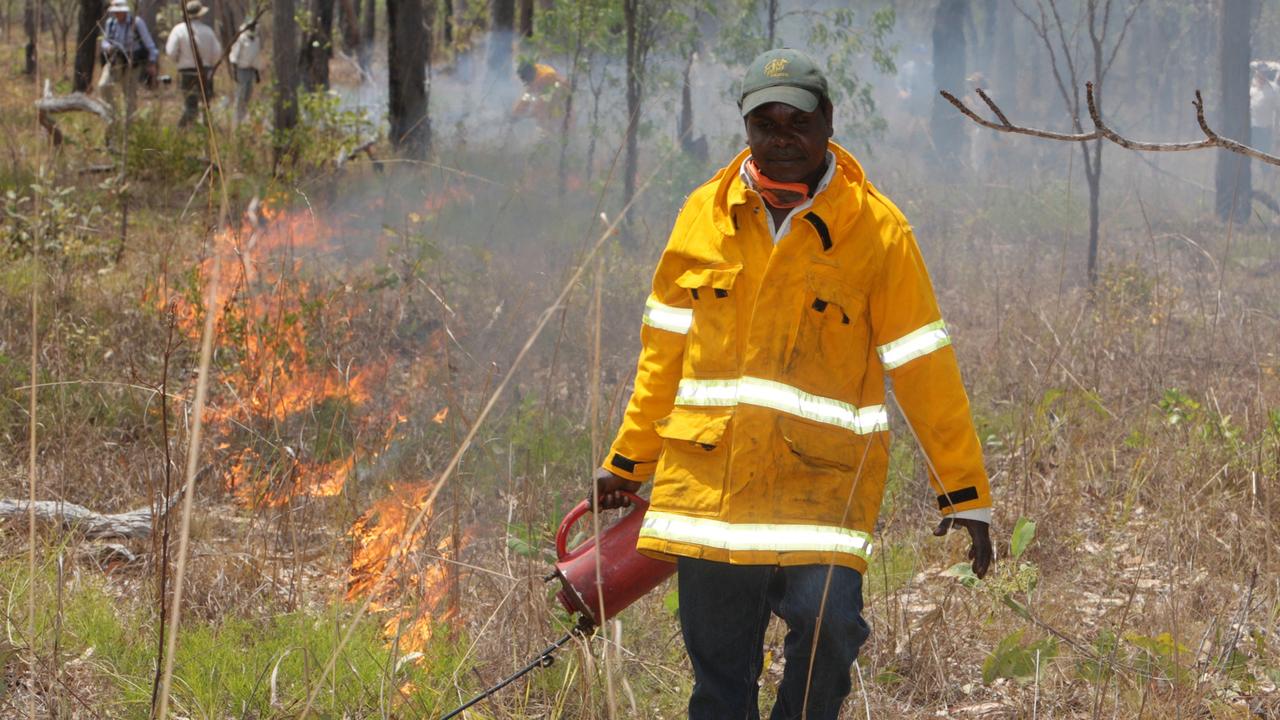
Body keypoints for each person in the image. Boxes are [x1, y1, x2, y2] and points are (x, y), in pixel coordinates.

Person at [592, 48, 995, 720]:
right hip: (709, 497)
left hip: (820, 496)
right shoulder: (702, 216)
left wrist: (965, 494)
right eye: (764, 124)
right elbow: (663, 354)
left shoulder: (878, 232)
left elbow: (925, 366)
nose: (781, 138)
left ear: (828, 122)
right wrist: (629, 461)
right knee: (719, 686)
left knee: (832, 628)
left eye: (796, 122)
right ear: (746, 128)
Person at [96, 0, 158, 122]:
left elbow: (150, 46)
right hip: (115, 62)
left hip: (132, 64)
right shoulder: (111, 23)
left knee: (129, 95)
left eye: (119, 11)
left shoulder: (137, 23)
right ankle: (112, 116)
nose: (117, 14)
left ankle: (129, 124)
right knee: (103, 85)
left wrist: (152, 63)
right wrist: (107, 46)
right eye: (115, 12)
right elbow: (105, 40)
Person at [165, 0, 222, 128]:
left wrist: (179, 61)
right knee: (205, 105)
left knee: (190, 105)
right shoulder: (208, 31)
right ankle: (196, 130)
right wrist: (209, 64)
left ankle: (185, 130)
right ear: (200, 15)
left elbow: (171, 52)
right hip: (205, 72)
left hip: (186, 73)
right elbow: (217, 53)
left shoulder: (178, 30)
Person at [512, 59, 569, 134]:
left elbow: (545, 100)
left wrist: (534, 111)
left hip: (561, 96)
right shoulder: (533, 74)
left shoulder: (547, 76)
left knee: (558, 119)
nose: (525, 82)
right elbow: (527, 97)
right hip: (550, 93)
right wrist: (516, 113)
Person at [229, 18, 264, 126]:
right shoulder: (241, 39)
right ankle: (236, 122)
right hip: (241, 70)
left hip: (251, 71)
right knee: (240, 96)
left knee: (248, 96)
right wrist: (235, 73)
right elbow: (234, 57)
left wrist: (257, 74)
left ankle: (243, 120)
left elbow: (256, 58)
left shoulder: (256, 40)